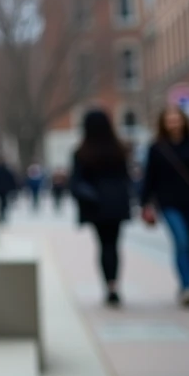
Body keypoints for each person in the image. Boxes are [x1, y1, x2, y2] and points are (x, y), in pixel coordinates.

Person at [140, 105, 189, 306]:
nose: (173, 124)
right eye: (169, 120)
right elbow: (149, 177)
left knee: (188, 243)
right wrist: (145, 203)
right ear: (163, 123)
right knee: (181, 241)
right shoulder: (157, 148)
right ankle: (186, 286)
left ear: (183, 121)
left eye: (176, 119)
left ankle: (187, 283)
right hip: (168, 203)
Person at [71, 110, 133, 306]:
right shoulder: (119, 149)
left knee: (103, 245)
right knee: (113, 245)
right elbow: (126, 178)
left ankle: (108, 285)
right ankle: (114, 284)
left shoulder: (82, 152)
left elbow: (75, 181)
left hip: (95, 205)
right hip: (116, 203)